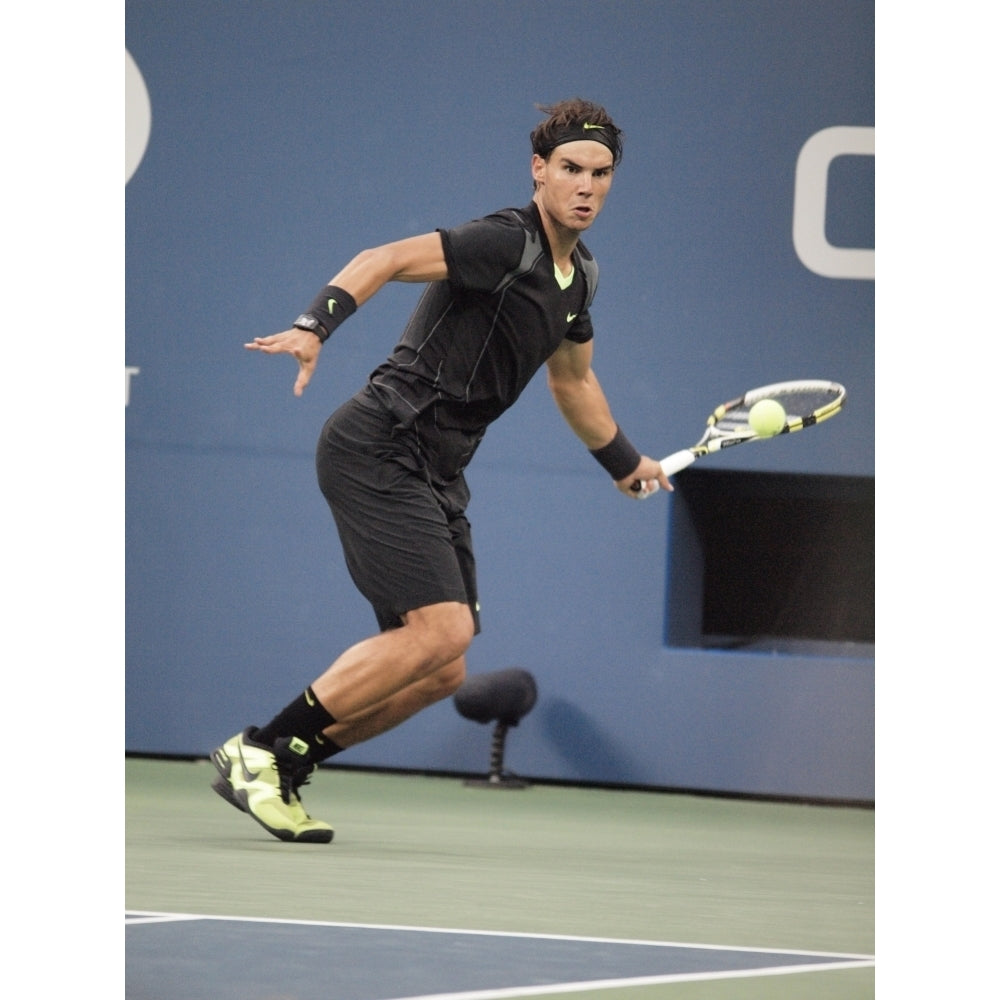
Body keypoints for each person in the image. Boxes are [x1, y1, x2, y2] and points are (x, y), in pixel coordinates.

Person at [210, 98, 672, 843]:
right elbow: (383, 259)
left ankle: (287, 760)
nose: (586, 185)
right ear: (539, 171)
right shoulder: (504, 242)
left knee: (441, 669)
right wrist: (312, 324)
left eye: (601, 173)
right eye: (571, 169)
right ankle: (261, 749)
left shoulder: (579, 277)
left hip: (439, 469)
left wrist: (624, 462)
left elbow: (574, 382)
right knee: (441, 629)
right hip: (381, 442)